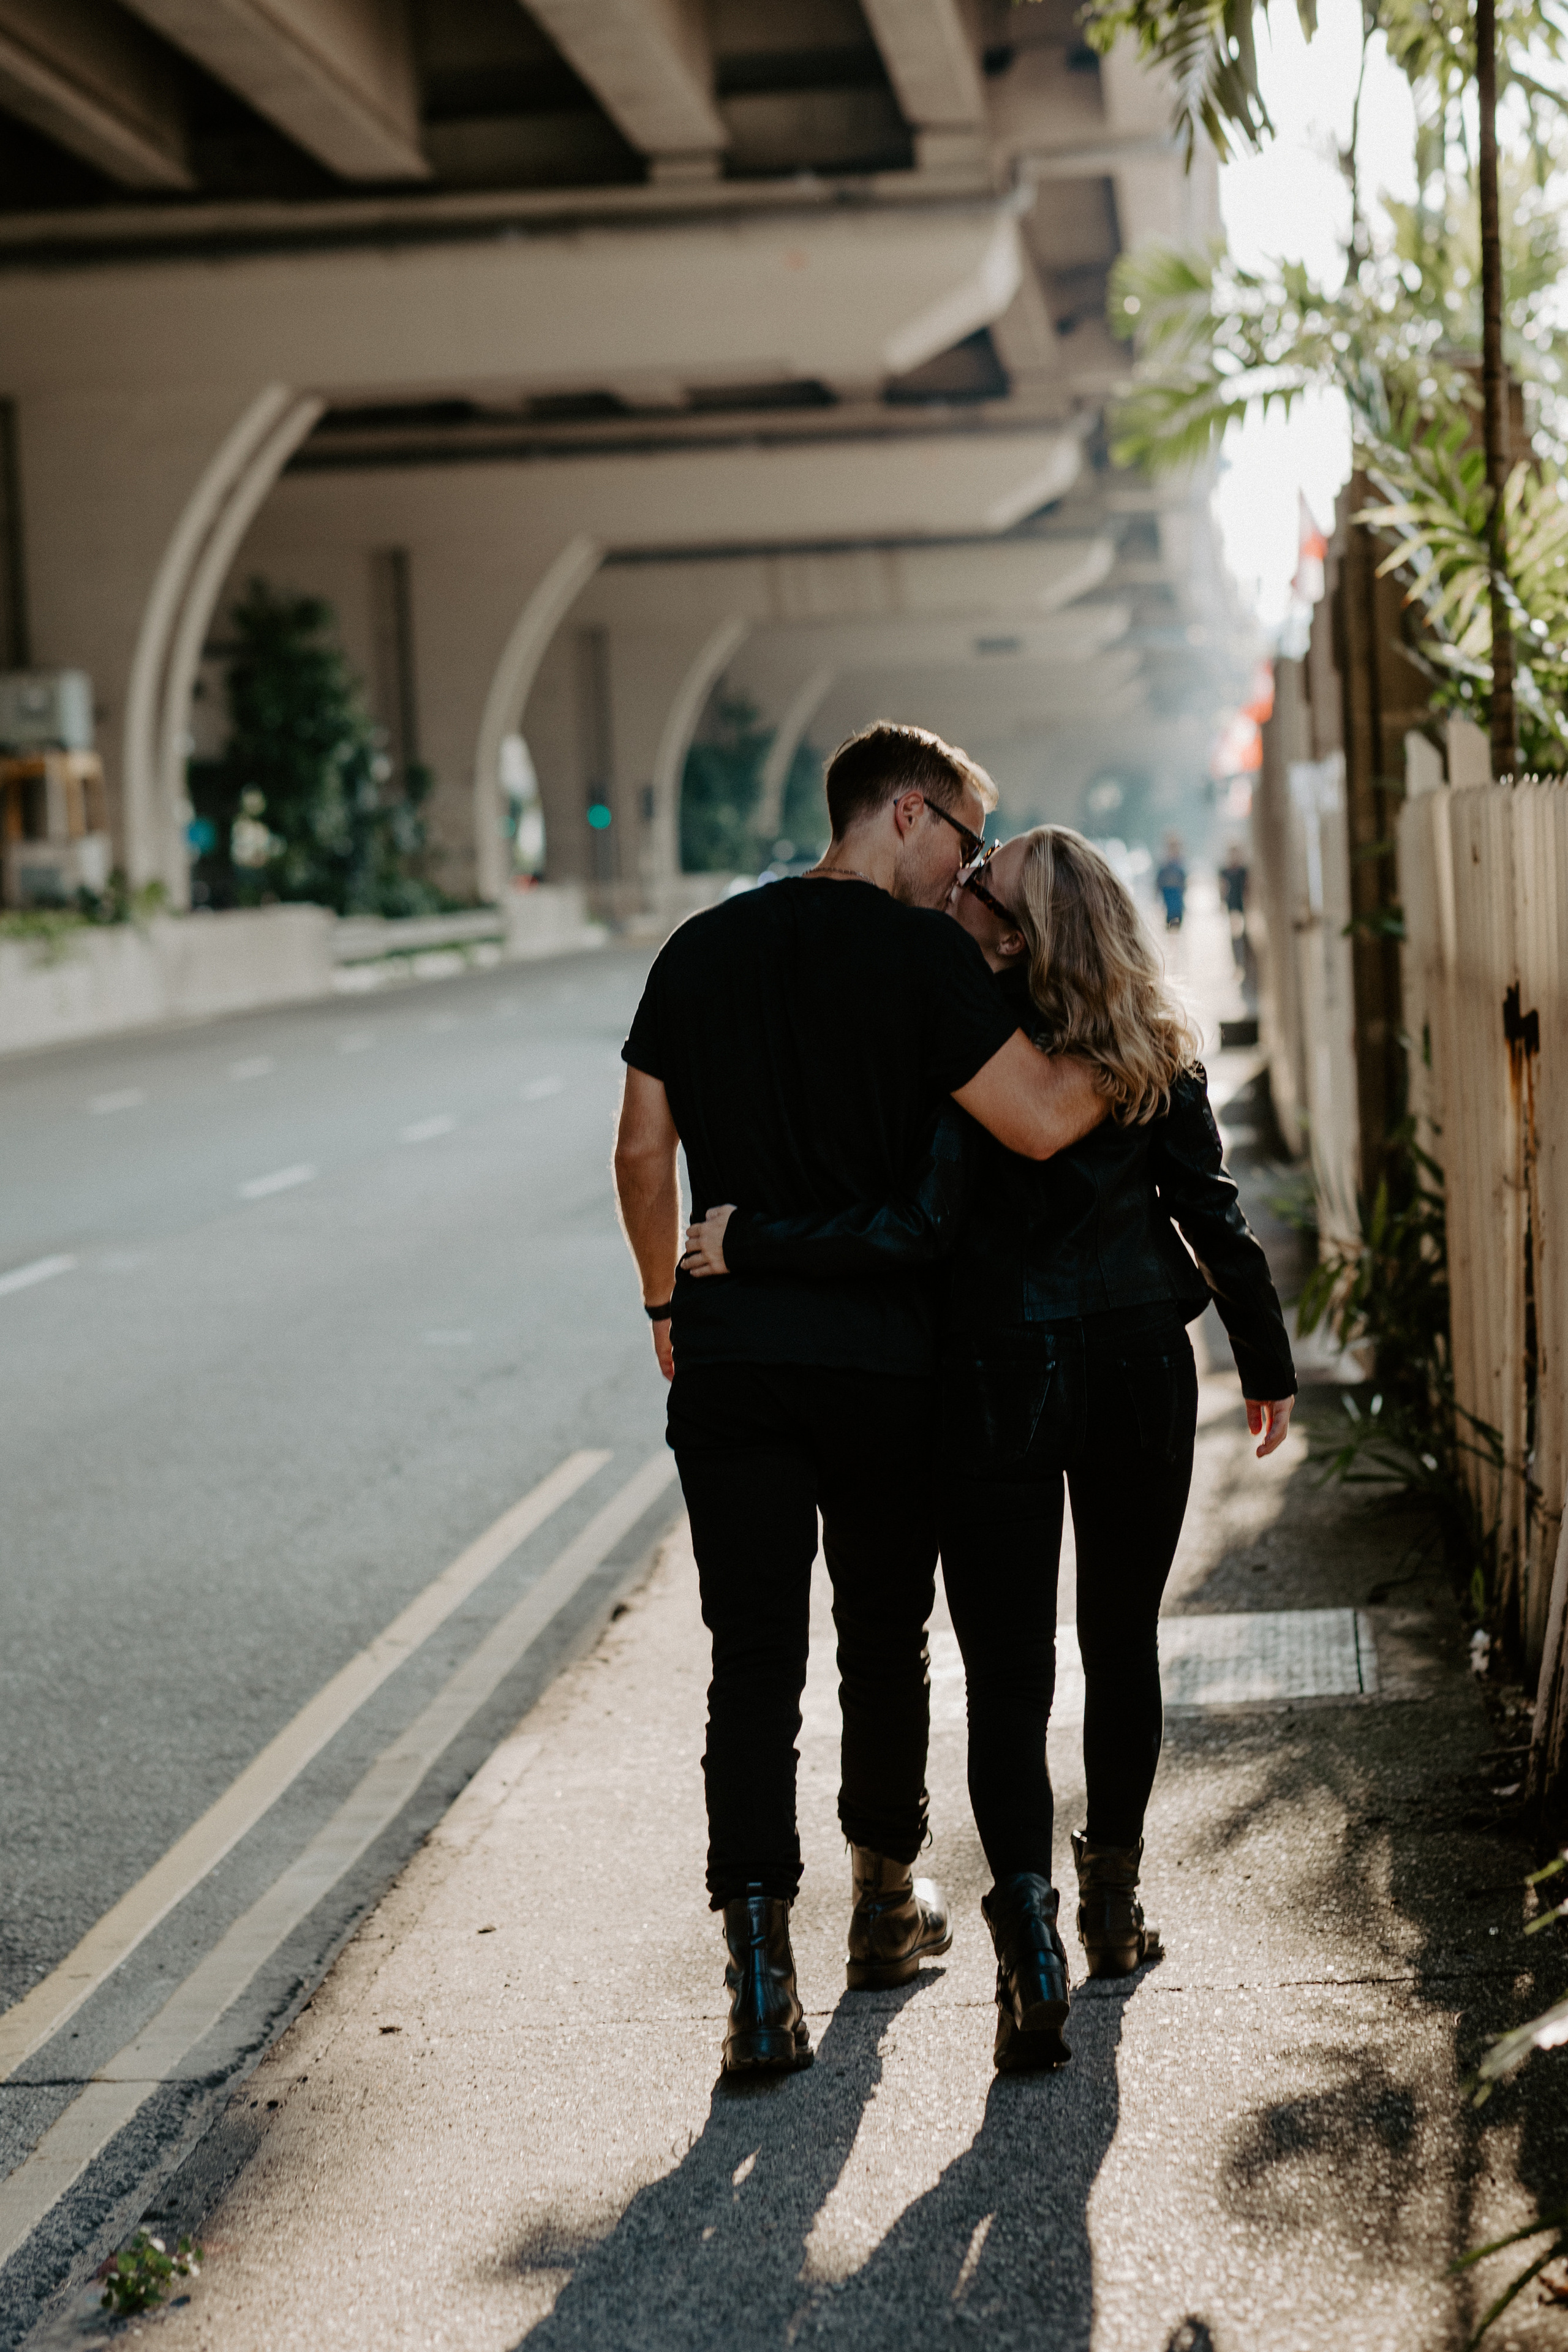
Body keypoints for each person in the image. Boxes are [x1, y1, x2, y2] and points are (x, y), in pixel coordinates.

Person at [679, 826, 1296, 2075]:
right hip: (1139, 1361)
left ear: (1015, 940)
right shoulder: (1151, 1043)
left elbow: (915, 1224)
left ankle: (1028, 1948)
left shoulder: (968, 1055)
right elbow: (1210, 1212)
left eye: (981, 884)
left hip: (997, 1375)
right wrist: (1264, 1360)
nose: (960, 888)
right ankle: (1112, 1908)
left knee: (1008, 1678)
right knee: (1120, 1642)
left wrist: (752, 1242)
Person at [612, 725, 1109, 2078]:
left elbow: (642, 1154)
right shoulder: (925, 962)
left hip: (732, 1360)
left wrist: (665, 1303)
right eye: (963, 841)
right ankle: (884, 1909)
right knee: (882, 1641)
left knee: (750, 1657)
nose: (963, 876)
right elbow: (1037, 1121)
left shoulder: (699, 949)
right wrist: (1141, 1036)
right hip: (887, 1364)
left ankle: (756, 1976)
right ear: (906, 812)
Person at [1219, 843, 1250, 971]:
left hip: (1244, 908)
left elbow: (1248, 889)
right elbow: (1223, 888)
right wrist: (1222, 903)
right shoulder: (1225, 872)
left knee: (1244, 937)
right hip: (1233, 908)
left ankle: (1244, 964)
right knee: (1236, 937)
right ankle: (1239, 964)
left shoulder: (1243, 871)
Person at [1156, 837, 1187, 931]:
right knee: (1169, 921)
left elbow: (1183, 882)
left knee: (1177, 921)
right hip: (1168, 895)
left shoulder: (1180, 866)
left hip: (1177, 896)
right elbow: (1159, 882)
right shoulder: (1164, 867)